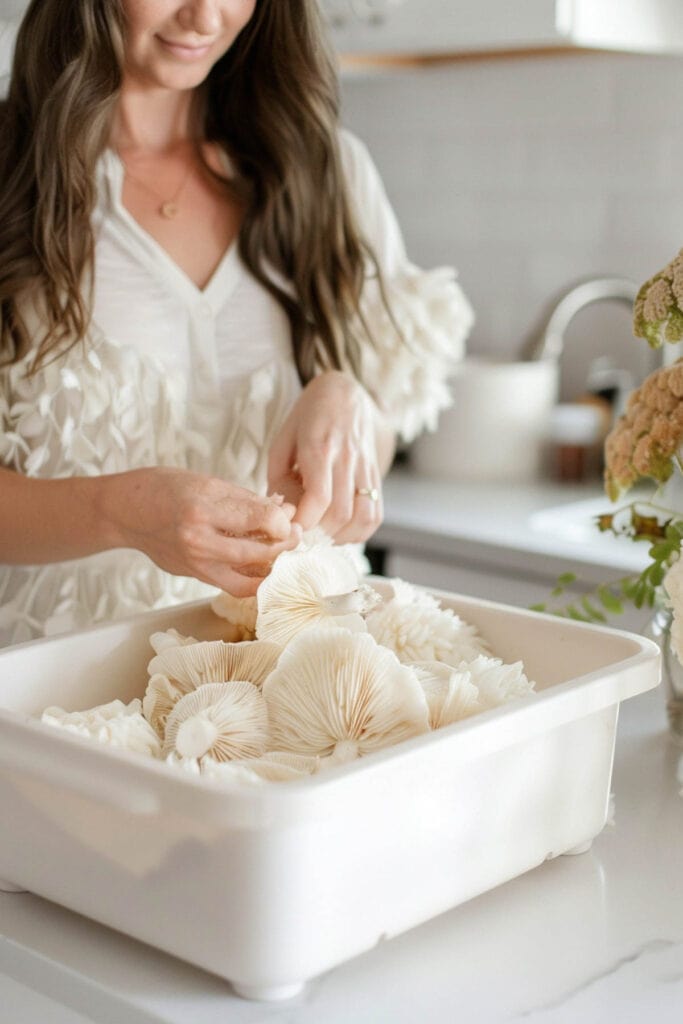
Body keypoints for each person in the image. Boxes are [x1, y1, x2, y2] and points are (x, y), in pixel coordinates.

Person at [0, 0, 473, 647]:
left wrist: (349, 399)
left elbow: (382, 421)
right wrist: (119, 512)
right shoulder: (10, 178)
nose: (203, 17)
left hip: (291, 682)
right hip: (48, 698)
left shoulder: (325, 168)